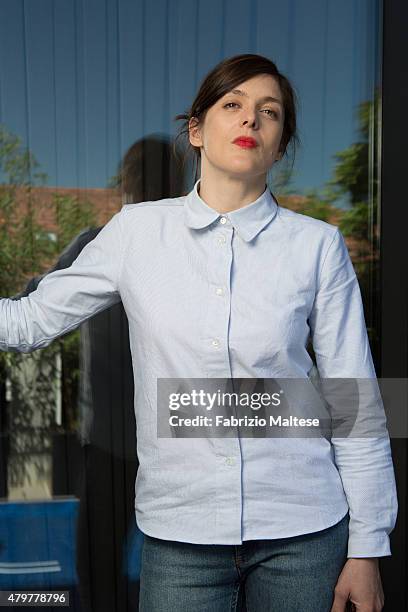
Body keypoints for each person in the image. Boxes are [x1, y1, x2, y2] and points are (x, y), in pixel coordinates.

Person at [0, 53, 398, 612]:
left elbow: (354, 400)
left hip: (304, 533)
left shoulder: (317, 246)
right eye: (232, 105)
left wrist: (368, 548)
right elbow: (29, 321)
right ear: (196, 129)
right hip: (179, 536)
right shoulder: (136, 234)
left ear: (281, 144)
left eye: (270, 112)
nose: (250, 120)